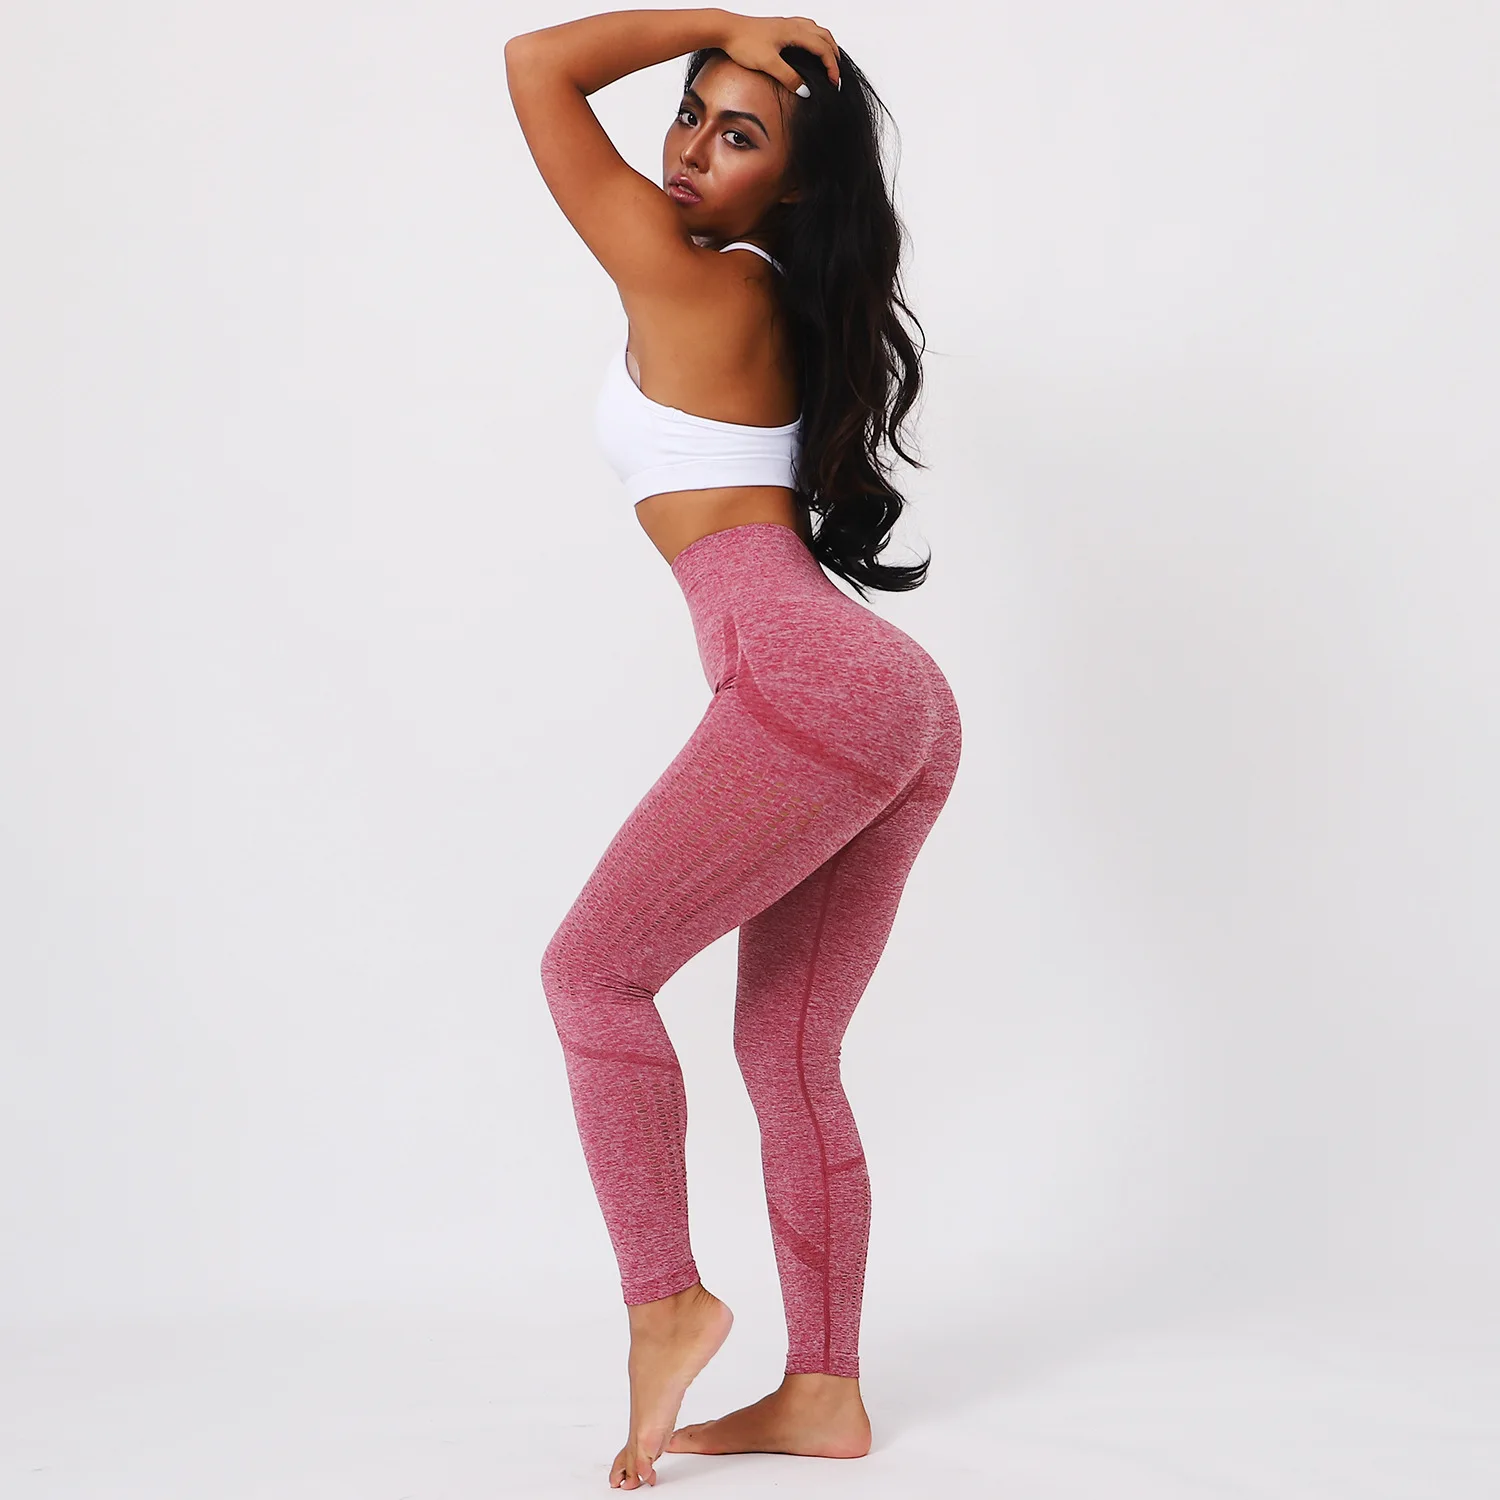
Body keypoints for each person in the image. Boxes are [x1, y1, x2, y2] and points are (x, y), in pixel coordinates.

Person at [506, 10, 962, 1489]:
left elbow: (534, 66)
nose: (691, 146)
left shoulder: (688, 274)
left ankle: (666, 1302)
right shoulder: (775, 298)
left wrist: (716, 20)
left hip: (807, 679)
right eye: (692, 109)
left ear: (799, 184)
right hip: (892, 697)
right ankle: (823, 1394)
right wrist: (736, 49)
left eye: (740, 132)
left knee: (593, 974)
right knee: (787, 1048)